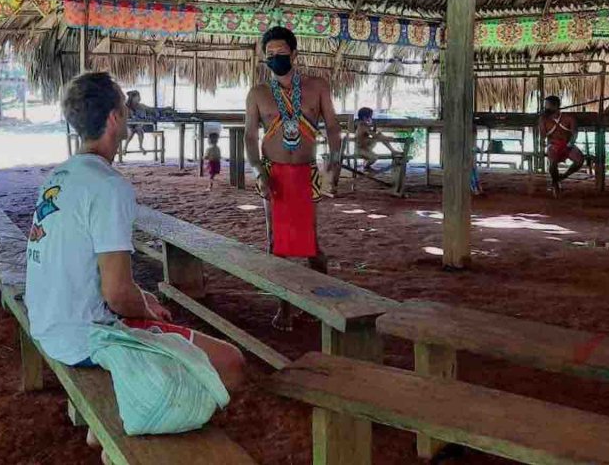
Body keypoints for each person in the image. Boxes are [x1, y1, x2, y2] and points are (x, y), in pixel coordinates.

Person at [26, 72, 244, 449]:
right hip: (86, 337)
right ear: (114, 119)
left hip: (47, 322)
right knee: (231, 364)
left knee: (153, 319)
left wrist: (141, 298)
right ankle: (131, 426)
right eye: (125, 110)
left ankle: (119, 411)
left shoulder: (57, 177)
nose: (127, 117)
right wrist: (142, 305)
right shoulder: (109, 187)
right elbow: (116, 296)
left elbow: (99, 274)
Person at [245, 26, 340, 331]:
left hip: (307, 173)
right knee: (276, 243)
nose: (275, 58)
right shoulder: (257, 93)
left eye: (280, 53)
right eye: (269, 54)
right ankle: (283, 307)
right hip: (273, 174)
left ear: (294, 54)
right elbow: (249, 136)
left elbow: (334, 129)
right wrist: (258, 170)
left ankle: (319, 303)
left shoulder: (317, 86)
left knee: (311, 244)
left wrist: (332, 167)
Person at [538, 95, 584, 197]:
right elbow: (543, 136)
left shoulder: (568, 118)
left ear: (555, 106)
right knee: (553, 163)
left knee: (579, 160)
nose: (545, 108)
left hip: (568, 144)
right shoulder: (544, 119)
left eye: (547, 106)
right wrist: (542, 121)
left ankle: (562, 177)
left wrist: (570, 144)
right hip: (553, 145)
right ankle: (555, 184)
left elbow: (574, 133)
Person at [354, 107, 400, 172]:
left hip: (366, 146)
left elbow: (371, 134)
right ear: (364, 117)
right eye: (370, 116)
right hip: (360, 149)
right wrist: (388, 138)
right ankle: (366, 166)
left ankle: (393, 151)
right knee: (374, 157)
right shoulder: (362, 125)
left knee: (380, 134)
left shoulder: (363, 124)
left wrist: (374, 128)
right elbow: (374, 135)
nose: (371, 118)